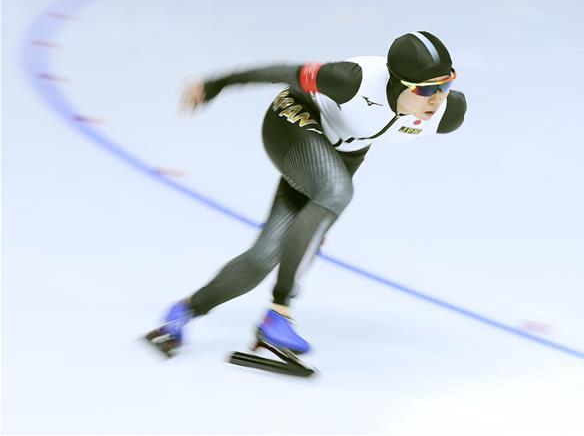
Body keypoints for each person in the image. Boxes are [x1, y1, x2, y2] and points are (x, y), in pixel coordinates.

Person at [147, 31, 466, 365]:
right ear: (398, 84)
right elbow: (282, 71)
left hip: (339, 156)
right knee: (336, 191)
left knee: (264, 257)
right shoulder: (352, 80)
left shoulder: (447, 114)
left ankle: (182, 312)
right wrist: (215, 85)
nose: (437, 100)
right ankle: (279, 314)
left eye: (445, 86)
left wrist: (315, 224)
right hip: (294, 120)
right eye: (426, 90)